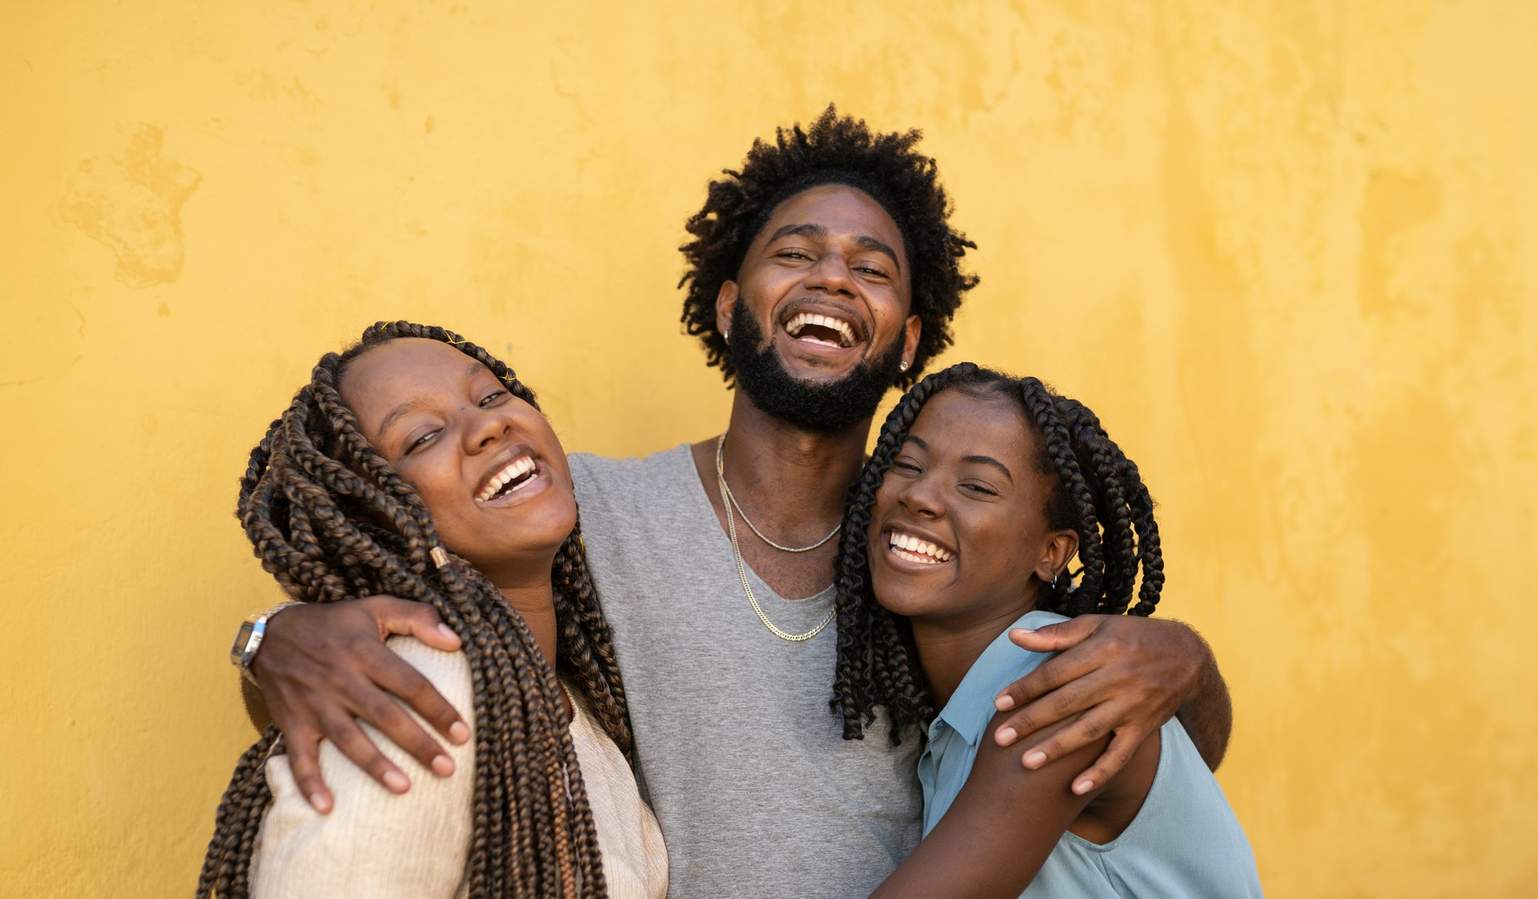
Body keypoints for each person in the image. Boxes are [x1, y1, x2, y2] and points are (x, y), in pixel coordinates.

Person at [232, 108, 1235, 898]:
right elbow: (410, 650)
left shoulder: (940, 564)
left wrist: (1184, 657)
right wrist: (274, 635)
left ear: (911, 338)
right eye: (796, 253)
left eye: (872, 267)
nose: (833, 276)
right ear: (727, 302)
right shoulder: (582, 512)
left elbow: (1130, 762)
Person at [198, 323, 666, 898]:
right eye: (422, 437)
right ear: (373, 517)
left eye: (491, 395)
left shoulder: (573, 706)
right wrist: (267, 635)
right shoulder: (420, 691)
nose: (490, 424)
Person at [838, 364, 1262, 898]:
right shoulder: (955, 718)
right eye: (906, 463)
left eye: (977, 486)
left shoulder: (1061, 688)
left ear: (1051, 552)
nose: (920, 495)